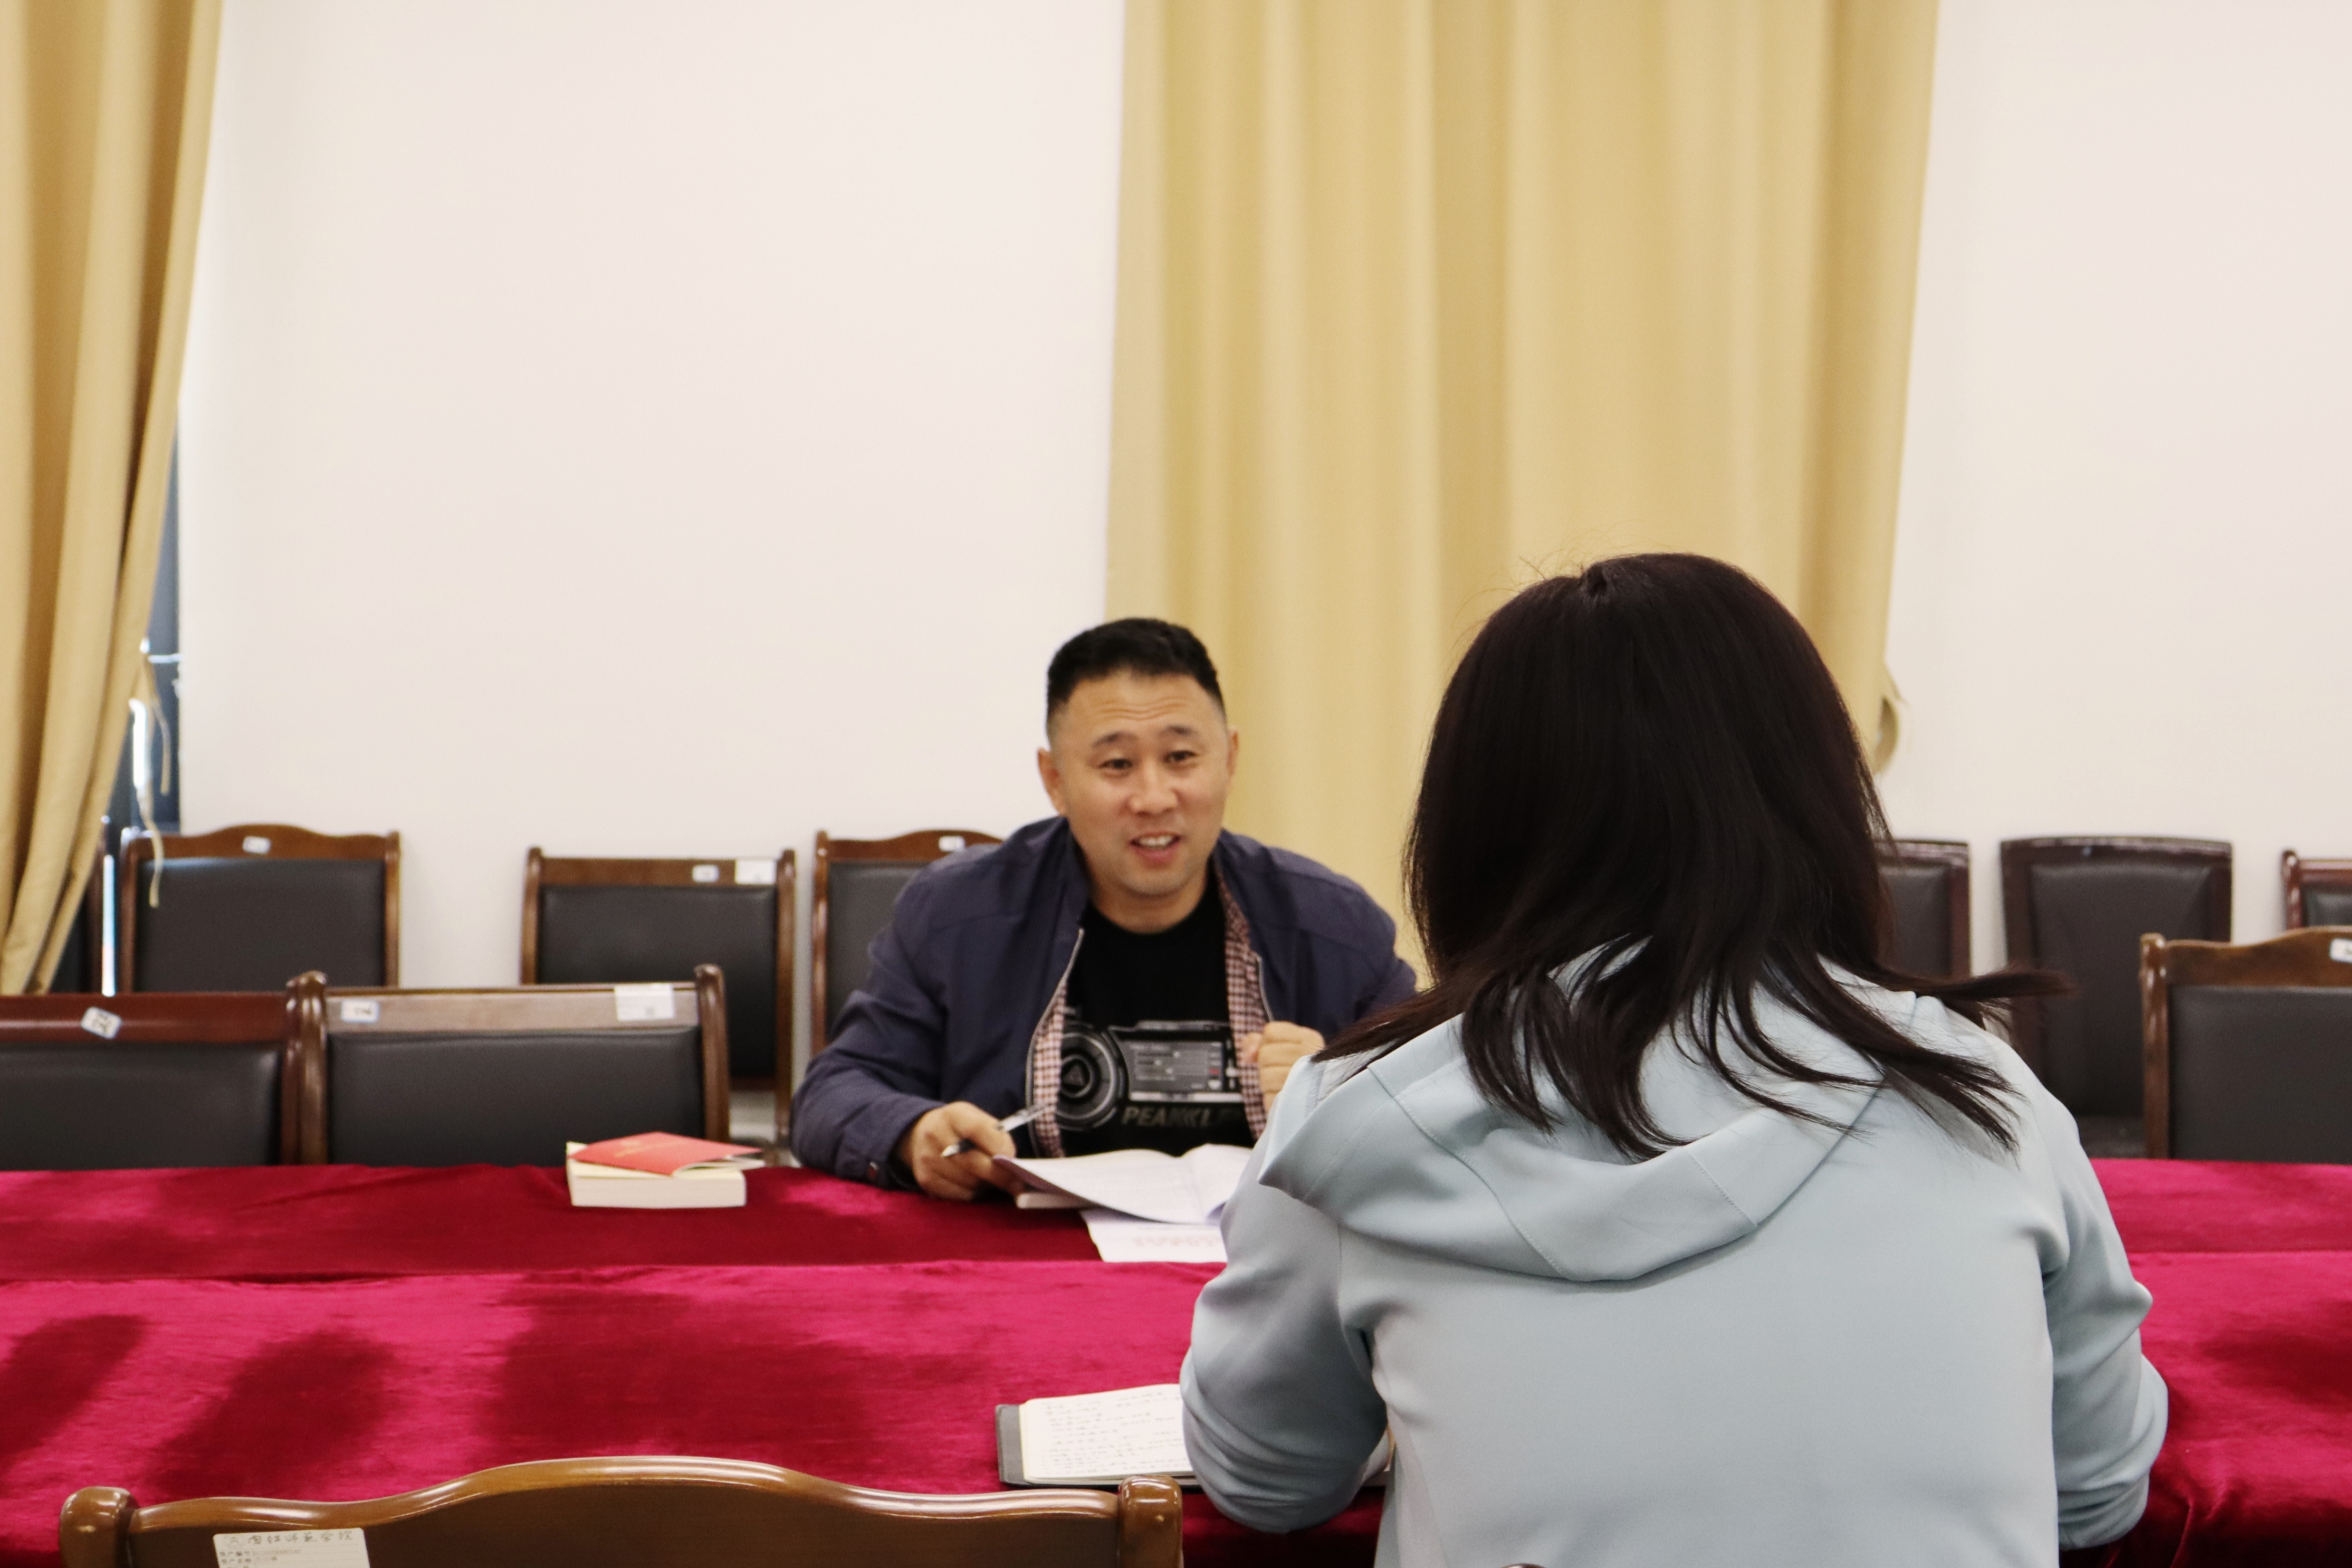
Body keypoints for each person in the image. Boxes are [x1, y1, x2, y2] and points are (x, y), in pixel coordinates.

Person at [1181, 556, 2166, 1566]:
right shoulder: (1980, 1091)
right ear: (1817, 794)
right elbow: (2094, 1489)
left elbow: (1266, 1478)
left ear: (1470, 821)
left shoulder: (1361, 1119)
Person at [790, 618, 1418, 1199]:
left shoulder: (1332, 925)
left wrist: (1334, 1097)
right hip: (1025, 1260)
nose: (1154, 797)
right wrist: (913, 1133)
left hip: (1257, 1263)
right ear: (1055, 780)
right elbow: (831, 1094)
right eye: (1117, 764)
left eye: (1180, 757)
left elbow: (1437, 1111)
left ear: (1229, 758)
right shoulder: (957, 915)